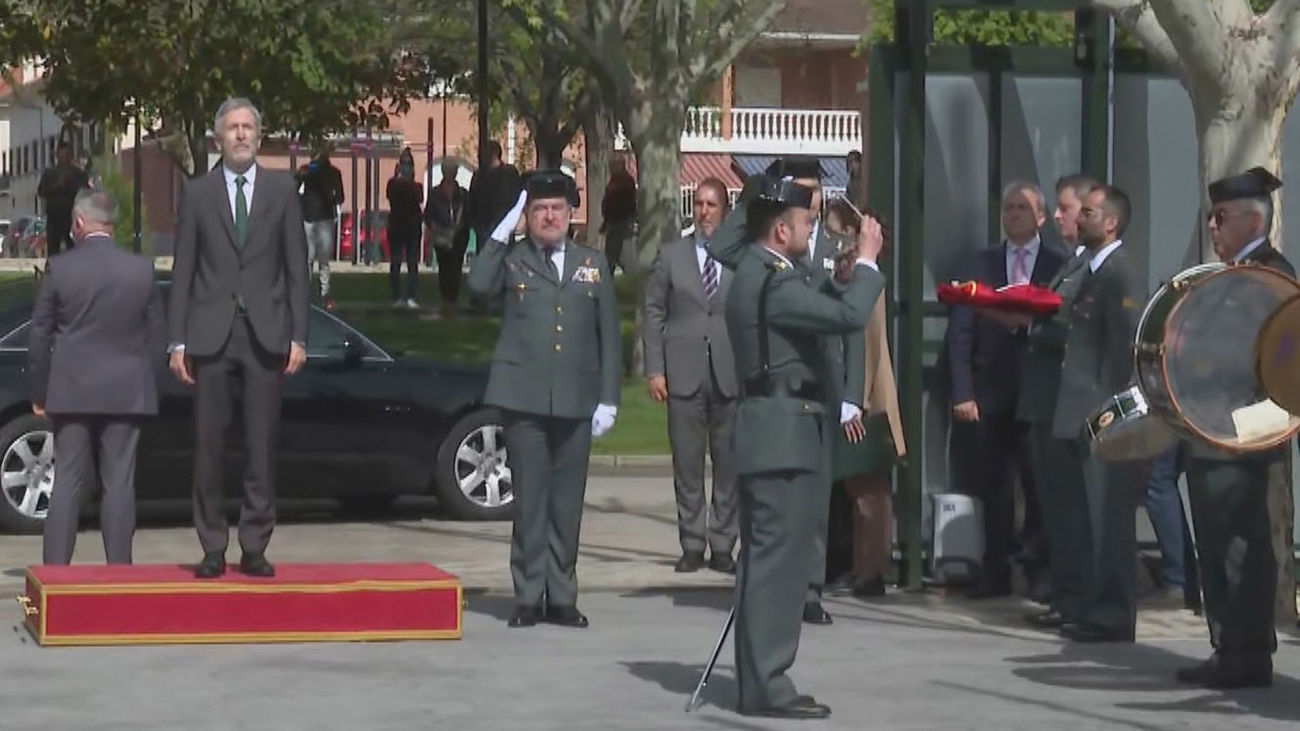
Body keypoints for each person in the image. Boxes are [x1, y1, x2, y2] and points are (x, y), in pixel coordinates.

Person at [708, 175, 884, 719]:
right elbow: (849, 318)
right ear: (781, 230)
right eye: (806, 223)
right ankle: (767, 683)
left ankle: (757, 680)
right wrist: (872, 263)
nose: (813, 231)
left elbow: (819, 304)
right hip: (785, 431)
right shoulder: (773, 281)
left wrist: (840, 280)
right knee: (779, 567)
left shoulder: (767, 274)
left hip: (776, 428)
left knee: (766, 563)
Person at [465, 170, 620, 629]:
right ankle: (529, 595)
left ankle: (563, 596)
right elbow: (476, 286)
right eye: (538, 210)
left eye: (555, 208)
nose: (548, 216)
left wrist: (609, 397)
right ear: (526, 217)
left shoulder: (592, 264)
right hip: (523, 398)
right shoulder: (512, 261)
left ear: (570, 213)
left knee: (567, 504)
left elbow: (608, 335)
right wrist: (501, 230)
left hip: (576, 399)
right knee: (530, 501)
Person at [167, 97, 309, 579]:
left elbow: (297, 269)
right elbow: (183, 270)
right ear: (218, 138)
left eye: (249, 126)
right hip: (210, 338)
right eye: (233, 128)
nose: (242, 135)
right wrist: (177, 342)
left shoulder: (282, 190)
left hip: (265, 336)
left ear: (260, 134)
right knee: (208, 447)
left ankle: (254, 544)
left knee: (260, 445)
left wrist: (299, 335)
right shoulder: (198, 193)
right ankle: (212, 545)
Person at [1177, 167, 1292, 688]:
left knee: (1240, 544)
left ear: (1250, 219)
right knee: (1218, 542)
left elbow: (1258, 360)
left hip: (1242, 432)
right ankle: (1229, 646)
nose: (1213, 228)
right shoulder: (1233, 276)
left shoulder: (1269, 276)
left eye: (1219, 218)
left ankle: (1245, 652)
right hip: (1214, 430)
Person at [943, 181, 1067, 599]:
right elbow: (960, 331)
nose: (1013, 214)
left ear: (1042, 218)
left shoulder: (1057, 265)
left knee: (1038, 485)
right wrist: (963, 391)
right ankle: (993, 570)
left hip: (1036, 394)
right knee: (993, 486)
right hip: (988, 393)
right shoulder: (980, 263)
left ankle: (1038, 571)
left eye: (1022, 208)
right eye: (1009, 207)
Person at [28, 190, 161, 565]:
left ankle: (55, 574)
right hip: (126, 390)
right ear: (112, 224)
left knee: (67, 483)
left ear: (79, 222)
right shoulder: (141, 269)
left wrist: (39, 391)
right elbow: (157, 335)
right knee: (119, 484)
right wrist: (144, 382)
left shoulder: (61, 267)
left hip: (72, 391)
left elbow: (40, 334)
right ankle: (120, 574)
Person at [1051, 183, 1143, 643]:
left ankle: (1112, 611)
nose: (1078, 219)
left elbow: (1125, 349)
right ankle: (1091, 604)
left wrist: (1112, 413)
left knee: (1108, 517)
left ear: (1111, 222)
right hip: (1079, 409)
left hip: (1102, 414)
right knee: (1084, 516)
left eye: (1088, 212)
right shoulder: (1088, 268)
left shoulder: (1119, 273)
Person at [642, 178, 738, 574]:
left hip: (731, 375)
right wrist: (654, 369)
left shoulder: (740, 257)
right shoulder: (672, 256)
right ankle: (692, 544)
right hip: (683, 374)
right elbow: (653, 313)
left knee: (730, 466)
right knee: (687, 465)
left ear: (724, 210)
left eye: (711, 205)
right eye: (698, 204)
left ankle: (722, 545)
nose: (703, 211)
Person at [1021, 174, 1098, 630]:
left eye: (1066, 208)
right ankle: (1068, 598)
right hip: (1045, 398)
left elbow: (1075, 324)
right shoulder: (1071, 262)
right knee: (1053, 504)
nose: (1057, 216)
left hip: (1068, 399)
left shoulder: (1095, 266)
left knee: (1074, 508)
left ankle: (1082, 599)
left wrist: (1029, 317)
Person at [822, 196, 906, 598]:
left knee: (868, 487)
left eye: (849, 240)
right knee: (854, 488)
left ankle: (871, 569)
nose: (841, 248)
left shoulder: (869, 283)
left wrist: (857, 400)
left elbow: (867, 344)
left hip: (866, 398)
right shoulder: (849, 281)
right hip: (853, 394)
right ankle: (856, 565)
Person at [297, 149, 344, 309]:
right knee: (322, 259)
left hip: (312, 217)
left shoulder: (307, 172)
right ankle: (323, 293)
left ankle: (308, 293)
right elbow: (340, 197)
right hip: (322, 217)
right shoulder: (332, 173)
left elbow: (296, 190)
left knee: (310, 258)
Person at [424, 160, 469, 319]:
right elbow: (428, 215)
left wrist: (462, 227)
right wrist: (433, 228)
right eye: (448, 170)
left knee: (455, 267)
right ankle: (446, 299)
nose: (451, 173)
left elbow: (468, 213)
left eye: (453, 170)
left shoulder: (462, 193)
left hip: (459, 235)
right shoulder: (435, 193)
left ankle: (453, 300)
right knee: (444, 267)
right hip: (442, 235)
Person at [464, 141, 522, 254]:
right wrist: (476, 225)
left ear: (494, 154)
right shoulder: (479, 176)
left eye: (485, 153)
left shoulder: (509, 174)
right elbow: (472, 201)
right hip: (484, 229)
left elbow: (515, 198)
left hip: (505, 226)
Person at [37, 142, 89, 256]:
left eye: (67, 155)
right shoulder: (49, 173)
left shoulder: (78, 174)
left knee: (73, 248)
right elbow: (41, 191)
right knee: (53, 249)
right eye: (62, 156)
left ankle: (71, 271)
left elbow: (85, 193)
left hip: (72, 216)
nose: (64, 159)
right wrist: (57, 185)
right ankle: (53, 271)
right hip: (54, 217)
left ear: (71, 156)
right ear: (56, 156)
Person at [387, 147, 424, 309]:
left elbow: (419, 198)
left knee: (411, 262)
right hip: (398, 225)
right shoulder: (394, 184)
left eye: (408, 164)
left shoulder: (416, 186)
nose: (406, 167)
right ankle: (398, 296)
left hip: (411, 226)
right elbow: (392, 195)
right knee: (396, 261)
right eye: (404, 164)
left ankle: (410, 295)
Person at [601, 155, 637, 273]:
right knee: (611, 251)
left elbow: (618, 202)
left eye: (613, 167)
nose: (611, 169)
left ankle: (616, 271)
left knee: (616, 251)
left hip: (620, 220)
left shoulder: (624, 182)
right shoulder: (615, 181)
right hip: (613, 221)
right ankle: (609, 273)